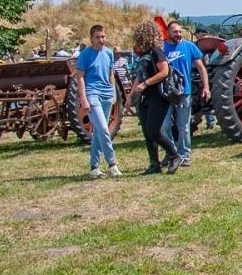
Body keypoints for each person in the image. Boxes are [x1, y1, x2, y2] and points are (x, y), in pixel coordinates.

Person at [128, 21, 182, 175]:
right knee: (147, 132)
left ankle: (174, 155)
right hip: (145, 97)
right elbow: (139, 76)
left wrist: (146, 83)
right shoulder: (144, 54)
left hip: (158, 96)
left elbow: (164, 72)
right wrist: (130, 97)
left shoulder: (156, 52)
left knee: (154, 130)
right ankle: (154, 164)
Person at [75, 24, 121, 178]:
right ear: (91, 39)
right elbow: (80, 77)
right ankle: (112, 164)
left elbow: (111, 74)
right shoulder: (85, 55)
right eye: (98, 37)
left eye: (103, 37)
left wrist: (113, 93)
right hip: (92, 93)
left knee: (98, 132)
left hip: (107, 94)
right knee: (103, 128)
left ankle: (94, 166)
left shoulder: (108, 53)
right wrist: (83, 98)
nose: (101, 40)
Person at [163, 20, 208, 167]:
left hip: (184, 91)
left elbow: (201, 68)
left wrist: (206, 87)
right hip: (167, 92)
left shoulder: (189, 46)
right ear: (168, 32)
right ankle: (171, 153)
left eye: (180, 31)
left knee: (183, 125)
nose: (178, 34)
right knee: (165, 125)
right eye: (175, 32)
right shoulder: (162, 47)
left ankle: (184, 154)